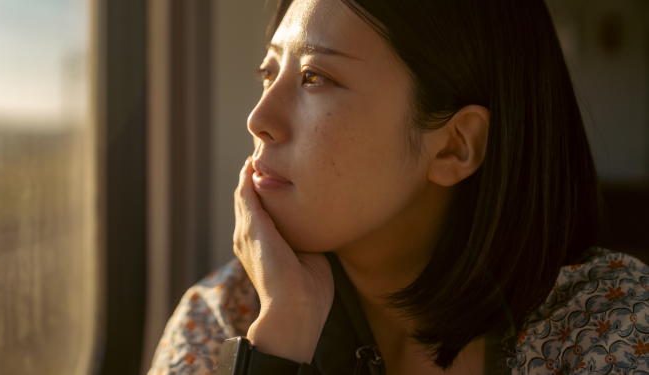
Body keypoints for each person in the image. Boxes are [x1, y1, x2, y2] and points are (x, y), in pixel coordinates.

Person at [148, 0, 649, 374]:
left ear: (454, 146)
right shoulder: (222, 316)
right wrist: (282, 336)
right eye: (268, 72)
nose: (259, 119)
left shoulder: (608, 324)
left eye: (314, 77)